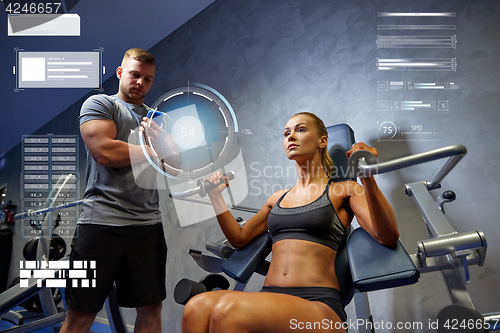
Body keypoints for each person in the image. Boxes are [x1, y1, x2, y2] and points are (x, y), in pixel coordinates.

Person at [181, 112, 399, 333]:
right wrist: (216, 197)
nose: (291, 136)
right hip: (271, 299)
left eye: (301, 130)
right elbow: (239, 238)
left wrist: (366, 175)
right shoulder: (278, 198)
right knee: (196, 307)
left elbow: (387, 235)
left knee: (227, 310)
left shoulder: (344, 190)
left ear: (322, 141)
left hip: (318, 305)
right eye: (286, 133)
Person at [60, 48, 181, 333]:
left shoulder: (159, 117)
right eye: (135, 75)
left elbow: (176, 166)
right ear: (120, 73)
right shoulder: (100, 104)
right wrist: (157, 150)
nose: (141, 83)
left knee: (151, 310)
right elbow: (105, 151)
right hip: (100, 224)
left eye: (148, 79)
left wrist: (167, 152)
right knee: (80, 314)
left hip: (147, 227)